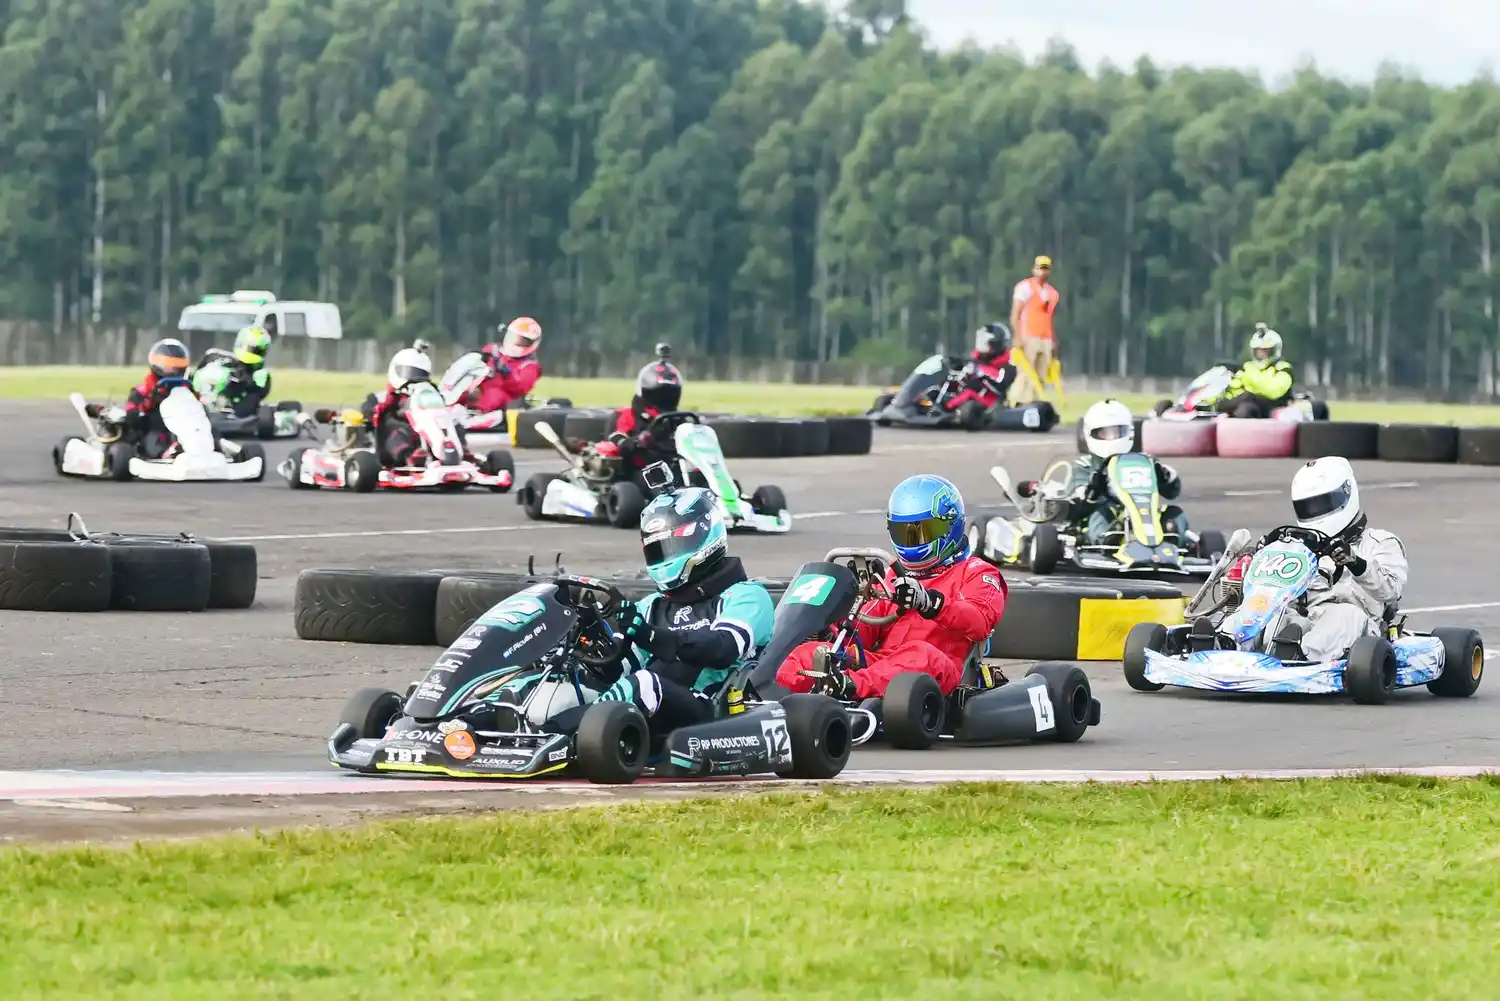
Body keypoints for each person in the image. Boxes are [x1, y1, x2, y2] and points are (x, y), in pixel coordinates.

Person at [775, 474, 1008, 699]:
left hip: (941, 671)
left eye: (922, 531)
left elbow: (979, 622)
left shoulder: (977, 572)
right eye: (903, 533)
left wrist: (930, 602)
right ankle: (767, 697)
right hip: (883, 664)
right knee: (810, 653)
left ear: (950, 526)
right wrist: (835, 621)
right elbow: (862, 633)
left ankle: (848, 686)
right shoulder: (891, 577)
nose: (912, 540)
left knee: (919, 653)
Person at [583, 488, 775, 733]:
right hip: (651, 705)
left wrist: (652, 636)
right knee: (577, 683)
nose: (666, 556)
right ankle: (539, 731)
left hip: (709, 711)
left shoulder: (747, 596)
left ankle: (576, 735)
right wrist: (593, 641)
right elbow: (621, 669)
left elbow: (723, 648)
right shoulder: (651, 606)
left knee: (644, 685)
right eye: (658, 549)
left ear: (705, 536)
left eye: (674, 544)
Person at [1257, 457, 1407, 663]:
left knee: (1345, 615)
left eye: (1322, 504)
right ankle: (1225, 643)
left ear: (1346, 495)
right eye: (1308, 507)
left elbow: (1390, 591)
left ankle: (1299, 658)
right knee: (1268, 609)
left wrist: (1356, 563)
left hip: (1360, 631)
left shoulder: (1381, 542)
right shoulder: (1301, 546)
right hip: (1306, 618)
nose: (1315, 512)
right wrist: (1267, 558)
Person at [1016, 399, 1188, 544]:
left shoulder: (1144, 461)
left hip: (1145, 514)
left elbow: (1173, 492)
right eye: (1106, 433)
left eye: (1118, 432)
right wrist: (1092, 490)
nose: (1113, 438)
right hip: (1106, 514)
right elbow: (1075, 508)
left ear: (1129, 432)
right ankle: (1109, 538)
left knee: (1175, 513)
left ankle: (1171, 540)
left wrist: (1165, 477)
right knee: (1102, 514)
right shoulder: (1084, 466)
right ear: (1091, 434)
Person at [566, 357, 685, 474]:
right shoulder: (626, 415)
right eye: (660, 394)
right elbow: (617, 441)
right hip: (640, 473)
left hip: (677, 470)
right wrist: (643, 439)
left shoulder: (680, 420)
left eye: (669, 395)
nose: (664, 399)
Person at [363, 346, 434, 466]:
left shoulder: (429, 395)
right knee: (398, 433)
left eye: (419, 373)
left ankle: (459, 453)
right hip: (392, 442)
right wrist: (388, 403)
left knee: (452, 424)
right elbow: (367, 413)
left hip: (425, 434)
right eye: (409, 371)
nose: (413, 378)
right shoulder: (379, 397)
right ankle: (410, 458)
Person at [463, 317, 544, 413]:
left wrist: (506, 372)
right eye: (514, 337)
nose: (515, 342)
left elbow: (521, 388)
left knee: (494, 394)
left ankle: (475, 414)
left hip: (506, 403)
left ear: (532, 343)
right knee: (461, 388)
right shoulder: (492, 350)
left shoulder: (530, 366)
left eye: (522, 340)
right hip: (476, 389)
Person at [1008, 255, 1060, 404]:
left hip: (1045, 338)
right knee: (1025, 373)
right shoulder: (1025, 287)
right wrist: (1018, 337)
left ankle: (1033, 404)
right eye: (1040, 268)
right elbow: (1016, 314)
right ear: (1034, 269)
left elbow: (1049, 318)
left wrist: (1054, 341)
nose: (1043, 272)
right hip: (1028, 336)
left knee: (1041, 374)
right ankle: (1016, 402)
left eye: (1046, 268)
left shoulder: (1052, 292)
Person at [1218, 323, 1293, 417]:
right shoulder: (1248, 367)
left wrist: (1248, 382)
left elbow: (1273, 391)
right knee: (1227, 405)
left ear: (1274, 350)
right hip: (1248, 405)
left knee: (1246, 408)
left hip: (1271, 409)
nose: (1261, 354)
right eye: (1258, 350)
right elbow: (1235, 390)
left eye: (1265, 350)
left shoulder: (1282, 368)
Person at [195, 326, 273, 416]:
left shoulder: (260, 375)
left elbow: (257, 394)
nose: (250, 351)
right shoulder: (218, 361)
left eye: (256, 350)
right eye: (248, 347)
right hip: (208, 401)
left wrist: (242, 384)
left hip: (237, 413)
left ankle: (225, 410)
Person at [948, 322, 1016, 410]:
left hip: (993, 406)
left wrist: (978, 372)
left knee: (968, 393)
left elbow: (1001, 385)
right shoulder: (974, 361)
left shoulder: (1008, 365)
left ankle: (945, 409)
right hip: (971, 401)